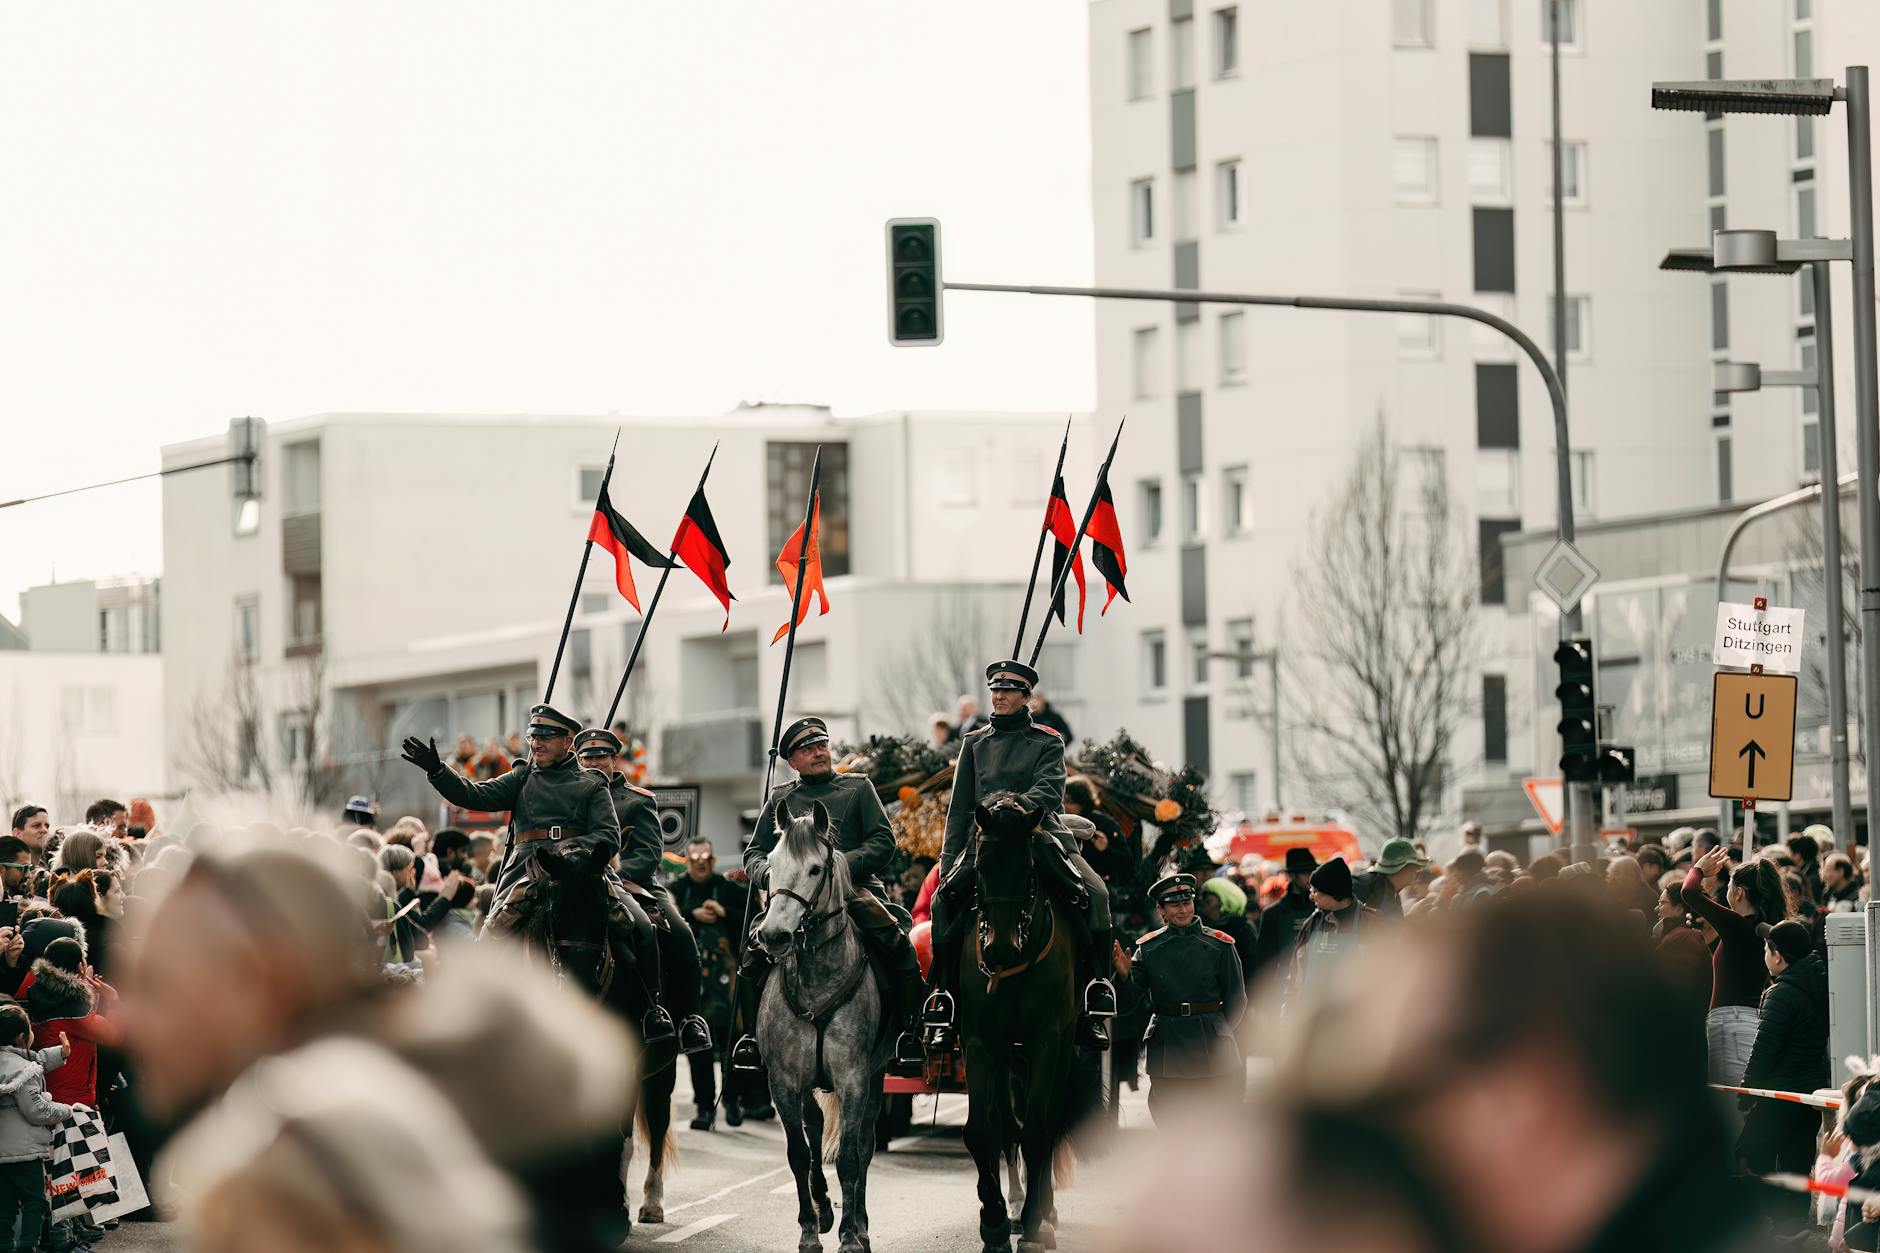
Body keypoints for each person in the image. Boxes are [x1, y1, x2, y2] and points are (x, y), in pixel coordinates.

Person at [127, 839, 640, 1253]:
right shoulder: (517, 1106)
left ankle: (658, 1007)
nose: (131, 1016)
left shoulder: (283, 1176)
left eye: (156, 982)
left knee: (650, 932)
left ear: (263, 977)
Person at [400, 705, 676, 1045]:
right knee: (489, 937)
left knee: (642, 927)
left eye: (545, 737)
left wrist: (566, 853)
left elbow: (607, 836)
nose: (536, 743)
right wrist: (438, 770)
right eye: (533, 736)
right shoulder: (521, 778)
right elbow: (473, 795)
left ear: (568, 742)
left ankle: (652, 1011)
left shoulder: (592, 784)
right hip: (526, 873)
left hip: (581, 874)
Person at [926, 660, 1119, 1053]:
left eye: (1009, 690)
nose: (999, 696)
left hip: (1039, 833)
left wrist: (1009, 807)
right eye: (995, 690)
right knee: (940, 901)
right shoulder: (973, 742)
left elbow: (1049, 791)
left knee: (1097, 894)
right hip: (985, 842)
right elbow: (960, 808)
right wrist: (948, 862)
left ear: (1026, 697)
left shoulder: (1048, 741)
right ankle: (944, 997)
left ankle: (1095, 993)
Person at [734, 716, 924, 1073]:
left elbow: (884, 841)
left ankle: (910, 1034)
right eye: (808, 749)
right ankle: (750, 1040)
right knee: (752, 954)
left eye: (822, 745)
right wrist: (772, 875)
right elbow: (754, 853)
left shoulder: (858, 788)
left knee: (898, 942)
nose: (819, 753)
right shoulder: (781, 798)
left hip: (853, 890)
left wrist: (838, 868)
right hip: (793, 895)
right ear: (792, 761)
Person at [572, 727, 712, 1055]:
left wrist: (609, 875)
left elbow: (648, 854)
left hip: (634, 885)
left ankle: (681, 1016)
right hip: (578, 885)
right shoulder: (570, 798)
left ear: (614, 759)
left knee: (680, 933)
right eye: (587, 757)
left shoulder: (638, 800)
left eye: (600, 756)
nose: (593, 762)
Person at [1125, 874, 1246, 1123]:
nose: (1183, 910)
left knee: (1216, 1121)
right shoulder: (1148, 949)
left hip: (1211, 1042)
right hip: (1168, 1044)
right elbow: (1128, 999)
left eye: (1187, 903)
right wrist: (1123, 976)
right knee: (1170, 1120)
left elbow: (1237, 999)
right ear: (1161, 910)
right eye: (1174, 905)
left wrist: (1218, 1031)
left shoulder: (1220, 945)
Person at [1739, 919, 1829, 1235]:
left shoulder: (1781, 993)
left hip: (1779, 1091)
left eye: (1767, 949)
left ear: (1778, 956)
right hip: (1810, 1091)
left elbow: (1764, 1049)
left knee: (1750, 1151)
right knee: (1797, 1159)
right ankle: (1794, 1224)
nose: (1765, 954)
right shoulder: (1820, 983)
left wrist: (1746, 1092)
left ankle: (1776, 1221)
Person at [1681, 845, 1788, 1089]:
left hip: (1732, 1023)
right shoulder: (1759, 927)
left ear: (1738, 892)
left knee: (1732, 1100)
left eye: (1729, 885)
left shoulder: (1739, 926)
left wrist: (1698, 869)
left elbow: (1688, 892)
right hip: (1742, 1020)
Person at [668, 837, 746, 1130]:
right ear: (687, 861)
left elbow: (751, 919)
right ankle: (704, 1109)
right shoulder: (676, 891)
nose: (700, 863)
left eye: (705, 858)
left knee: (730, 1043)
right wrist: (692, 915)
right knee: (697, 1045)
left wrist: (725, 913)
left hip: (726, 980)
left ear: (713, 860)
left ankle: (732, 1101)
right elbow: (665, 919)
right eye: (695, 859)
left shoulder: (729, 889)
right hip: (691, 981)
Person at [0, 1004, 69, 1253]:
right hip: (24, 1152)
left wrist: (61, 1053)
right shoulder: (22, 1069)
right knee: (34, 1202)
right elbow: (36, 1110)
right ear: (22, 1036)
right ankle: (28, 1247)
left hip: (3, 1152)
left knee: (5, 1206)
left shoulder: (10, 1062)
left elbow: (35, 1061)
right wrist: (66, 1110)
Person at [1289, 857, 1375, 997]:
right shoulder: (1312, 924)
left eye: (1315, 891)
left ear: (1333, 893)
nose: (1311, 897)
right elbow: (1295, 976)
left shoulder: (1370, 923)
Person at [1250, 848, 1317, 985]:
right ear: (1292, 875)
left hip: (1317, 983)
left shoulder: (1321, 908)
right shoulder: (1272, 914)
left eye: (1312, 872)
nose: (1310, 877)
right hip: (1285, 986)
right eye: (1305, 872)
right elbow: (1265, 962)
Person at [1197, 876, 1259, 988]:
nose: (1204, 907)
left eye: (1208, 901)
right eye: (1202, 902)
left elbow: (1253, 967)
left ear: (1224, 900)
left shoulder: (1242, 927)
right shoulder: (1201, 927)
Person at [1352, 837, 1428, 919]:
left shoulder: (1393, 894)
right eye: (1415, 866)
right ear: (1403, 867)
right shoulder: (1362, 885)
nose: (1417, 869)